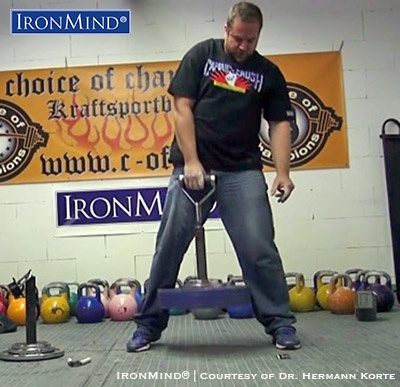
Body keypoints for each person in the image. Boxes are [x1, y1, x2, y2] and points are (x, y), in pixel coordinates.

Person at [127, 1, 300, 352]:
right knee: (168, 247)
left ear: (258, 37)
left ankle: (280, 324)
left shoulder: (267, 72)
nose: (243, 46)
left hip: (243, 170)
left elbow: (281, 122)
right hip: (194, 171)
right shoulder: (202, 55)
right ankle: (147, 325)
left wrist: (283, 171)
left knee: (259, 249)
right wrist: (191, 161)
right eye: (238, 38)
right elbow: (181, 107)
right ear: (227, 30)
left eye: (251, 40)